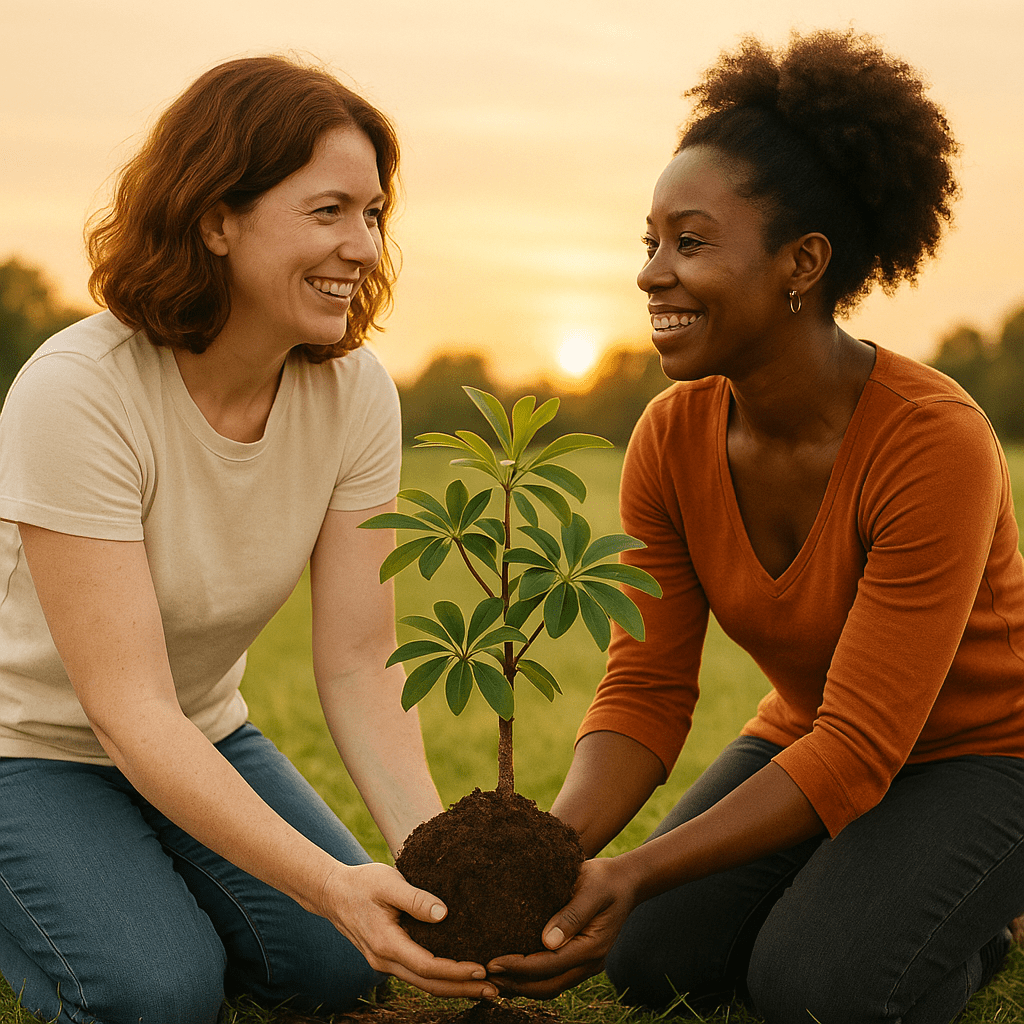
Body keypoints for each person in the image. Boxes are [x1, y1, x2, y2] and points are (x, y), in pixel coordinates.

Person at [489, 29, 1024, 1024]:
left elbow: (865, 744)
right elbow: (646, 686)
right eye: (647, 242)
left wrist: (638, 866)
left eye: (690, 243)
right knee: (651, 961)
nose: (652, 273)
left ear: (801, 264)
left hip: (987, 756)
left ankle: (976, 919)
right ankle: (869, 879)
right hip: (812, 735)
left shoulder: (932, 441)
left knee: (815, 988)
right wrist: (554, 859)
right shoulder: (670, 435)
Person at [0, 55, 496, 1024]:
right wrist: (328, 880)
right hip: (28, 745)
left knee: (341, 966)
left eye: (374, 212)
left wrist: (433, 873)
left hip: (202, 731)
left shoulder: (354, 395)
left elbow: (357, 659)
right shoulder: (79, 392)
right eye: (328, 211)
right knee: (159, 993)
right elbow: (126, 711)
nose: (362, 244)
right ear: (216, 218)